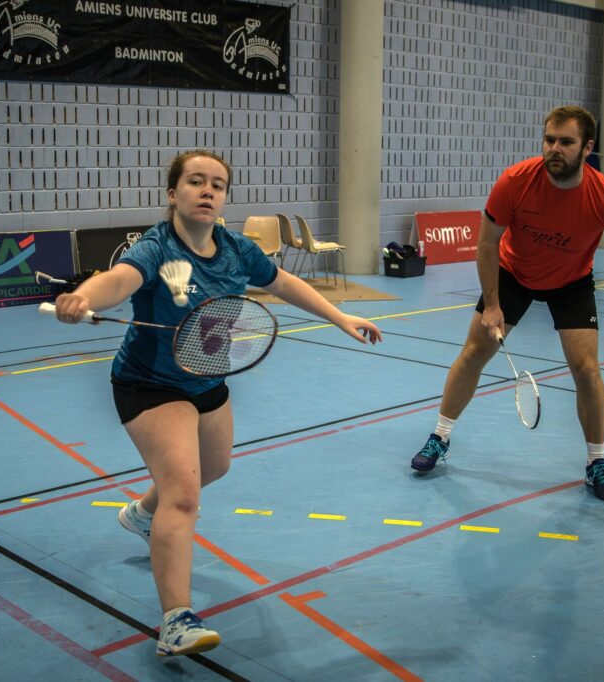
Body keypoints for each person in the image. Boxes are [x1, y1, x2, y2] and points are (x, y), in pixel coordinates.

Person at [52, 150, 382, 657]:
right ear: (172, 193)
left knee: (215, 467)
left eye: (218, 185)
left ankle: (142, 514)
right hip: (151, 384)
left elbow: (283, 282)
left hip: (207, 379)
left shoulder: (234, 249)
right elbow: (119, 280)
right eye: (196, 182)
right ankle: (175, 620)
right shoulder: (154, 248)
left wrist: (340, 317)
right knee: (183, 494)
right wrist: (86, 298)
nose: (208, 191)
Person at [409, 105, 604, 502]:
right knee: (474, 352)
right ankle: (439, 437)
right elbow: (487, 242)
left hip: (571, 282)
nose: (554, 148)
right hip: (513, 274)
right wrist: (491, 304)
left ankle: (597, 462)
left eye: (566, 142)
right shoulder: (516, 181)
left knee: (587, 370)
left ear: (587, 147)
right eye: (549, 140)